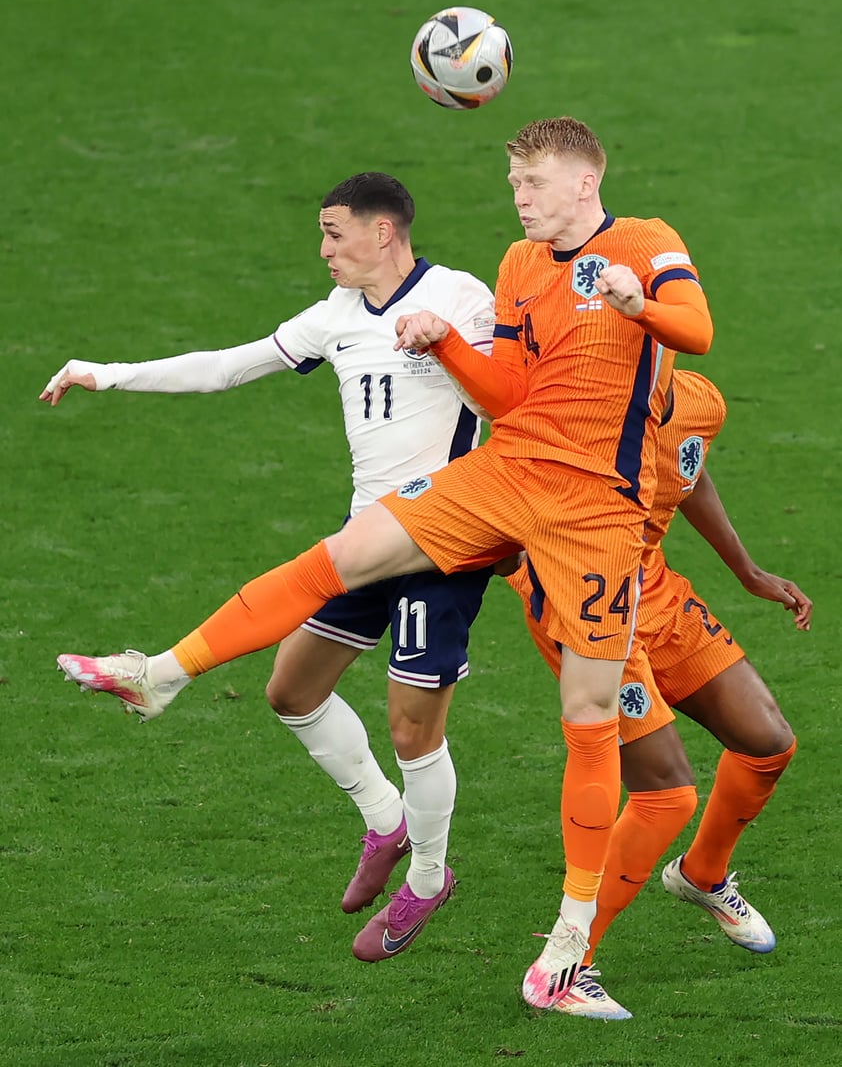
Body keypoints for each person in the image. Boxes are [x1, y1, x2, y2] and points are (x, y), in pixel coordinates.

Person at [56, 117, 714, 1000]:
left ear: (586, 181)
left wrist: (643, 306)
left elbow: (698, 330)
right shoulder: (519, 268)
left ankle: (566, 945)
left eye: (534, 183)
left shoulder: (646, 241)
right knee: (345, 551)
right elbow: (509, 392)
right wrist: (444, 343)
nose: (519, 198)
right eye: (514, 183)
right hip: (509, 468)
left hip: (599, 507)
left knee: (589, 715)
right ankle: (164, 672)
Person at [42, 171, 500, 960]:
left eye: (334, 232)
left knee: (411, 727)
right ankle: (386, 821)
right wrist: (106, 372)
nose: (323, 249)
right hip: (368, 536)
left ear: (383, 231)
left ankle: (428, 878)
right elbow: (227, 365)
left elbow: (505, 400)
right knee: (291, 690)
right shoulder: (337, 316)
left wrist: (447, 342)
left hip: (445, 541)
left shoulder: (462, 295)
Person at [505, 369, 810, 1019]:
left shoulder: (698, 401)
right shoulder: (581, 406)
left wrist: (748, 570)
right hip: (591, 612)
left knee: (767, 743)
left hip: (657, 596)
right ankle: (564, 965)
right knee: (666, 792)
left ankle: (702, 874)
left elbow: (687, 471)